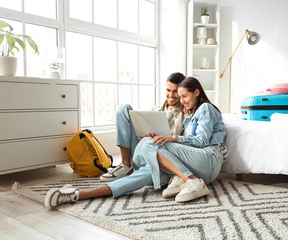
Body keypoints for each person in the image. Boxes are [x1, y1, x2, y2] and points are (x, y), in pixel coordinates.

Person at [44, 76, 227, 208]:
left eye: (183, 96)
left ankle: (191, 181)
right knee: (133, 179)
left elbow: (201, 141)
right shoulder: (189, 115)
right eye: (179, 97)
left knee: (150, 144)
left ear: (196, 92)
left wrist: (171, 138)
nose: (181, 100)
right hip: (181, 165)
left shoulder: (205, 109)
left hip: (206, 160)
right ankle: (75, 195)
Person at [99, 72, 186, 182]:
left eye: (175, 91)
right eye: (168, 90)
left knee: (150, 144)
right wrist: (143, 135)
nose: (171, 95)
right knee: (123, 109)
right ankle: (126, 165)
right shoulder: (156, 109)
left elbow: (184, 144)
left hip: (161, 155)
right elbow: (143, 132)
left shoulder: (185, 113)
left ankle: (143, 170)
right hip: (142, 149)